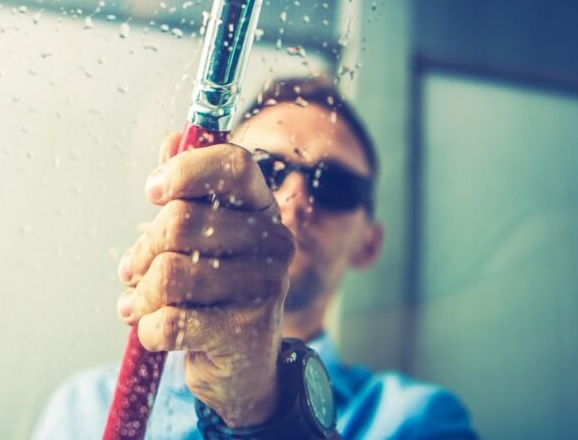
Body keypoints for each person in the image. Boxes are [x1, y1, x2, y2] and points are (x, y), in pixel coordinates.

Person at [31, 77, 476, 439]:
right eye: (264, 172)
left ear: (368, 244)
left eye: (334, 186)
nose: (295, 198)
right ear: (204, 195)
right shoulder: (86, 406)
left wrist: (264, 411)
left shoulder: (418, 419)